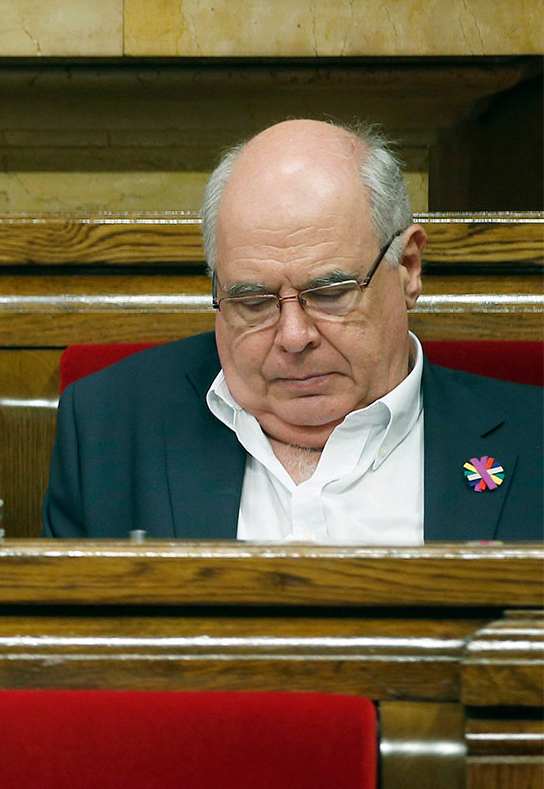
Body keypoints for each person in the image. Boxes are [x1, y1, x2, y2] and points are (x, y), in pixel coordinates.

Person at [44, 119, 541, 542]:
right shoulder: (110, 429)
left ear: (408, 267)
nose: (293, 335)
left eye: (330, 293)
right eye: (253, 301)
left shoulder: (531, 439)